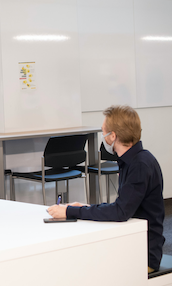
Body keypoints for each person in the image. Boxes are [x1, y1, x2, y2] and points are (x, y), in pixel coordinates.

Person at [47, 105, 165, 273]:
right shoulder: (135, 160)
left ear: (113, 136)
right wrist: (84, 209)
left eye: (104, 132)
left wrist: (71, 212)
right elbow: (124, 207)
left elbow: (120, 212)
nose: (103, 137)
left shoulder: (139, 165)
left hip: (143, 253)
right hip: (134, 241)